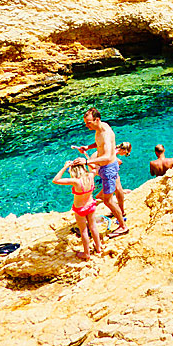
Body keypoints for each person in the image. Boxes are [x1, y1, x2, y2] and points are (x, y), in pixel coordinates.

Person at [75, 107, 128, 238]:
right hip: (111, 166)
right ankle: (121, 212)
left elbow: (107, 156)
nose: (86, 126)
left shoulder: (105, 133)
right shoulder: (101, 126)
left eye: (88, 123)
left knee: (107, 200)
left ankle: (123, 226)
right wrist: (88, 147)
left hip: (108, 168)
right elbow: (100, 144)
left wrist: (86, 162)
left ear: (97, 119)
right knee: (118, 188)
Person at [52, 158, 103, 261]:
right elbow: (97, 168)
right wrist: (86, 160)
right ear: (83, 168)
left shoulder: (75, 181)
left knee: (84, 231)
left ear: (73, 171)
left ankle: (86, 253)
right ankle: (98, 248)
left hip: (80, 209)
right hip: (91, 205)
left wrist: (65, 166)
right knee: (93, 227)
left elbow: (55, 180)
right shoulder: (90, 176)